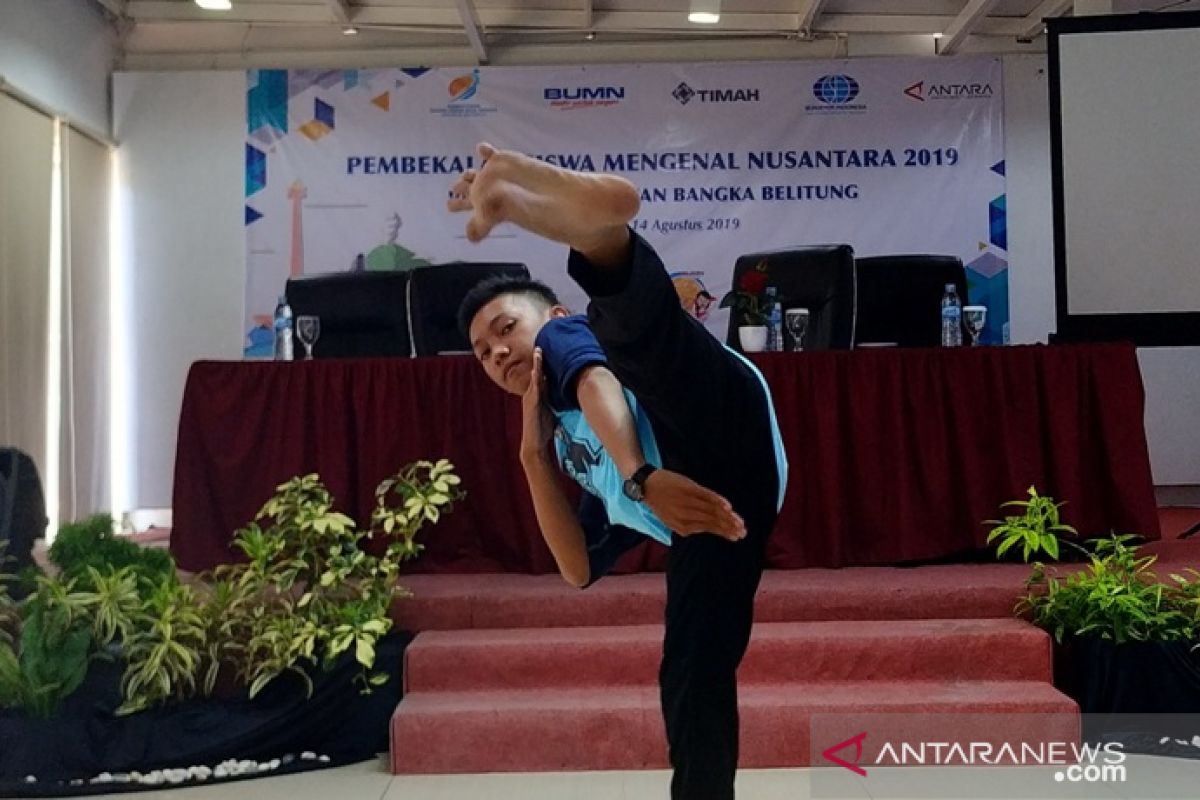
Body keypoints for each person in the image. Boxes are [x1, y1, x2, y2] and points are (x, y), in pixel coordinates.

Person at [451, 143, 787, 800]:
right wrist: (531, 455)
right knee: (690, 679)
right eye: (483, 354)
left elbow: (599, 376)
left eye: (503, 329)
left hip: (713, 424)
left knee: (641, 341)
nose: (496, 352)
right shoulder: (563, 434)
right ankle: (560, 213)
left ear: (549, 315)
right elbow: (576, 568)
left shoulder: (560, 342)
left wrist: (638, 475)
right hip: (712, 514)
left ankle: (599, 227)